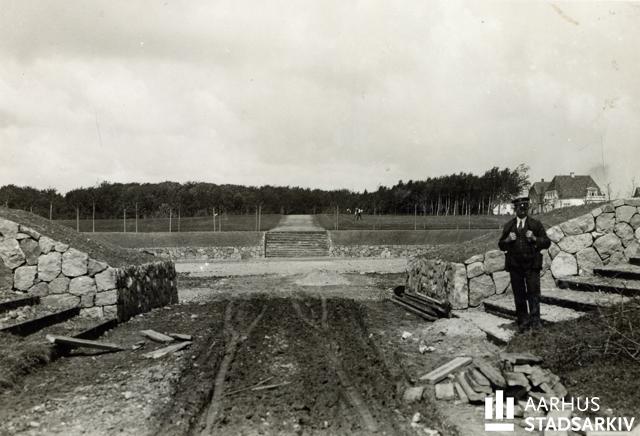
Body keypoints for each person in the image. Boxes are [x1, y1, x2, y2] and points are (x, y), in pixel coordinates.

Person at [498, 194, 550, 333]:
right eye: (520, 208)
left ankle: (535, 322)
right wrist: (508, 239)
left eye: (525, 208)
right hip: (515, 266)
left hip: (532, 266)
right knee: (519, 294)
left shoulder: (536, 224)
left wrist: (534, 238)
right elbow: (501, 245)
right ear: (515, 209)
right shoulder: (509, 226)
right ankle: (523, 322)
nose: (522, 210)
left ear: (528, 208)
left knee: (533, 293)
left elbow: (547, 242)